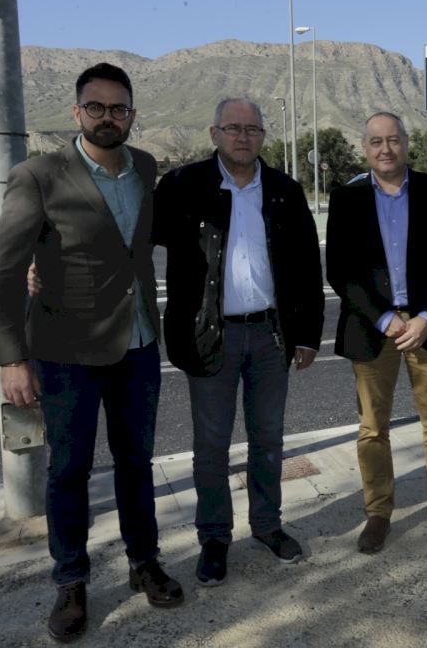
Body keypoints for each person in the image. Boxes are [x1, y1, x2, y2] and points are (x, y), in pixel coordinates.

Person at [0, 63, 182, 643]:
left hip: (138, 344)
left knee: (136, 462)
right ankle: (71, 579)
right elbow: (4, 272)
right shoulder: (37, 175)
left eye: (118, 108)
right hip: (66, 352)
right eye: (95, 107)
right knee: (69, 470)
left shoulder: (145, 167)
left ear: (132, 114)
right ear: (76, 112)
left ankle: (144, 561)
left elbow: (137, 246)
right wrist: (13, 358)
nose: (107, 117)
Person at [152, 97, 324, 586]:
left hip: (271, 335)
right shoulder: (182, 186)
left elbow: (308, 268)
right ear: (214, 134)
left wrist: (308, 335)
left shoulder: (285, 191)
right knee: (211, 446)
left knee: (268, 440)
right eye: (233, 128)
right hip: (211, 336)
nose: (243, 137)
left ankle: (267, 526)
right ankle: (214, 537)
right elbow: (135, 240)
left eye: (252, 129)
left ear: (263, 136)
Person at [327, 112, 427, 554]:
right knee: (372, 429)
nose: (386, 149)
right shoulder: (346, 198)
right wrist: (384, 319)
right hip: (372, 328)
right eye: (376, 141)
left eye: (393, 140)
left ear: (406, 142)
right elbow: (340, 270)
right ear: (365, 148)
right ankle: (378, 513)